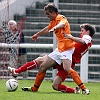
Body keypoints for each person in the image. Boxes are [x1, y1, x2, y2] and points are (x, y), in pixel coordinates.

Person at [8, 23, 95, 94]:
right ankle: (18, 72)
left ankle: (81, 89)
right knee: (40, 60)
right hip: (63, 56)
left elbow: (83, 41)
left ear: (88, 31)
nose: (81, 32)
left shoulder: (87, 38)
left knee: (55, 85)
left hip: (67, 59)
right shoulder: (86, 39)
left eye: (82, 30)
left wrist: (70, 37)